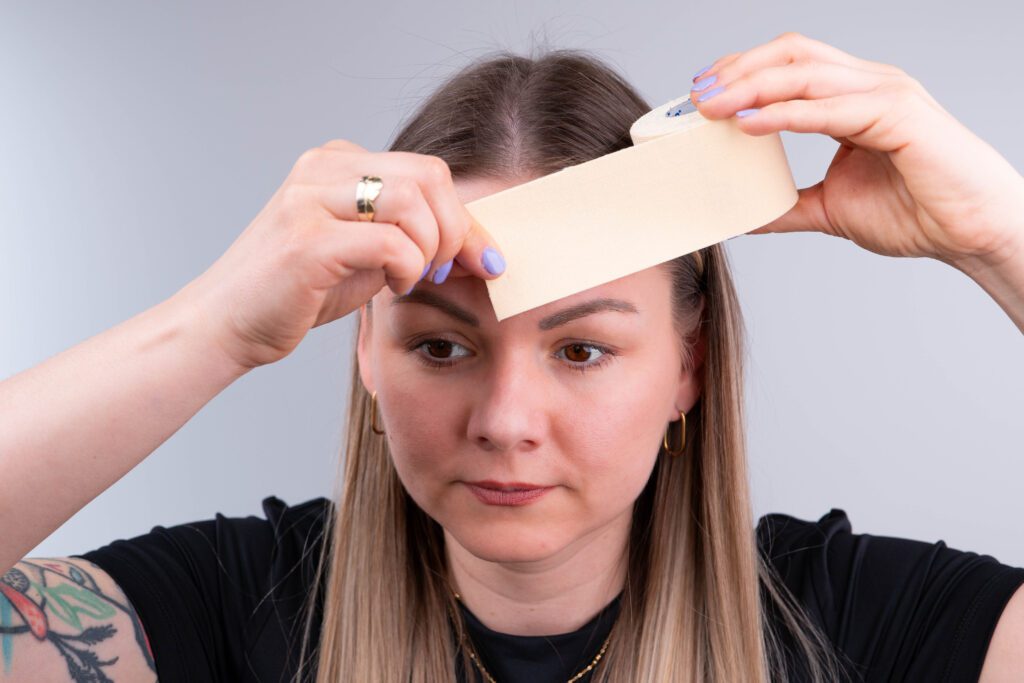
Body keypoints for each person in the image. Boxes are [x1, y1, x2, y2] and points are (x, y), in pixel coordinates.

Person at [1, 31, 1022, 683]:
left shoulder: (860, 624)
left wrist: (999, 235)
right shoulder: (234, 608)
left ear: (689, 366)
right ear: (365, 345)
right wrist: (214, 325)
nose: (504, 417)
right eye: (441, 344)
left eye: (580, 347)